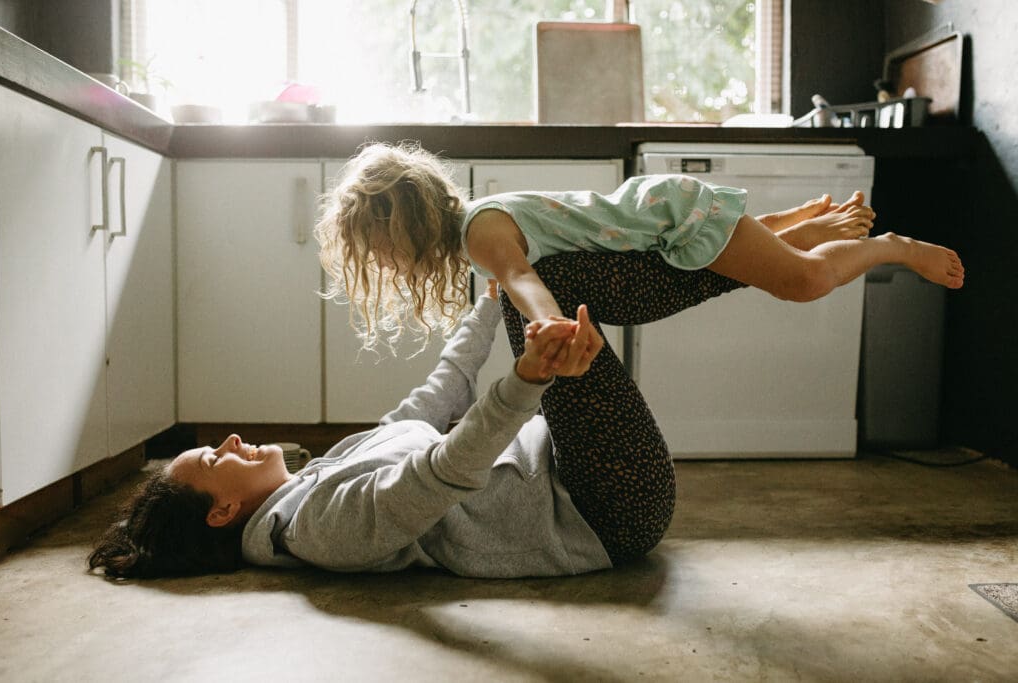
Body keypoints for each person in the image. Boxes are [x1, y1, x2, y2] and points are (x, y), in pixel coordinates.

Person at [89, 247, 760, 580]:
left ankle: (758, 258)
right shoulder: (319, 527)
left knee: (533, 271)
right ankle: (760, 263)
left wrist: (491, 295)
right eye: (213, 458)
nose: (229, 439)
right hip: (604, 505)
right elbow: (441, 473)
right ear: (220, 512)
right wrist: (526, 379)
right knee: (554, 276)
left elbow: (439, 393)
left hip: (577, 466)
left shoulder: (318, 478)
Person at [316, 141, 964, 367]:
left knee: (802, 283)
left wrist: (547, 322)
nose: (382, 264)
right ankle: (807, 220)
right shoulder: (477, 235)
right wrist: (509, 285)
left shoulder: (482, 236)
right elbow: (514, 267)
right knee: (739, 257)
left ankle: (891, 247)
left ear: (405, 223)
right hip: (661, 212)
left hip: (668, 214)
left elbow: (521, 276)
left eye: (377, 250)